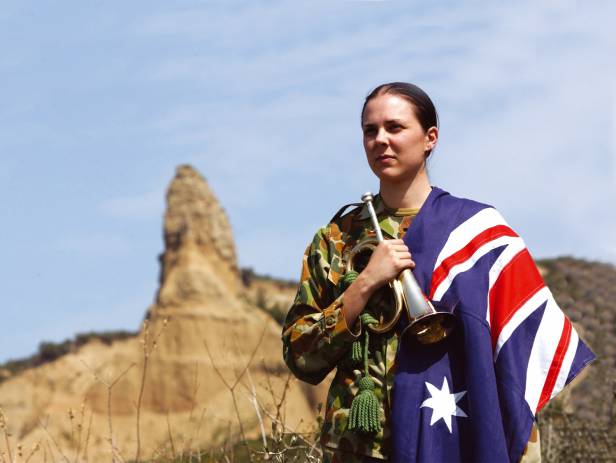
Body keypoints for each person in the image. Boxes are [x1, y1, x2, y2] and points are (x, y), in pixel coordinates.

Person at [282, 82, 594, 462]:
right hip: (359, 449)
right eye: (370, 130)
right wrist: (363, 285)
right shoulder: (336, 240)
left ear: (430, 138)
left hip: (453, 441)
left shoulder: (479, 233)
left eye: (394, 128)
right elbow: (301, 358)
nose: (380, 140)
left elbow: (516, 357)